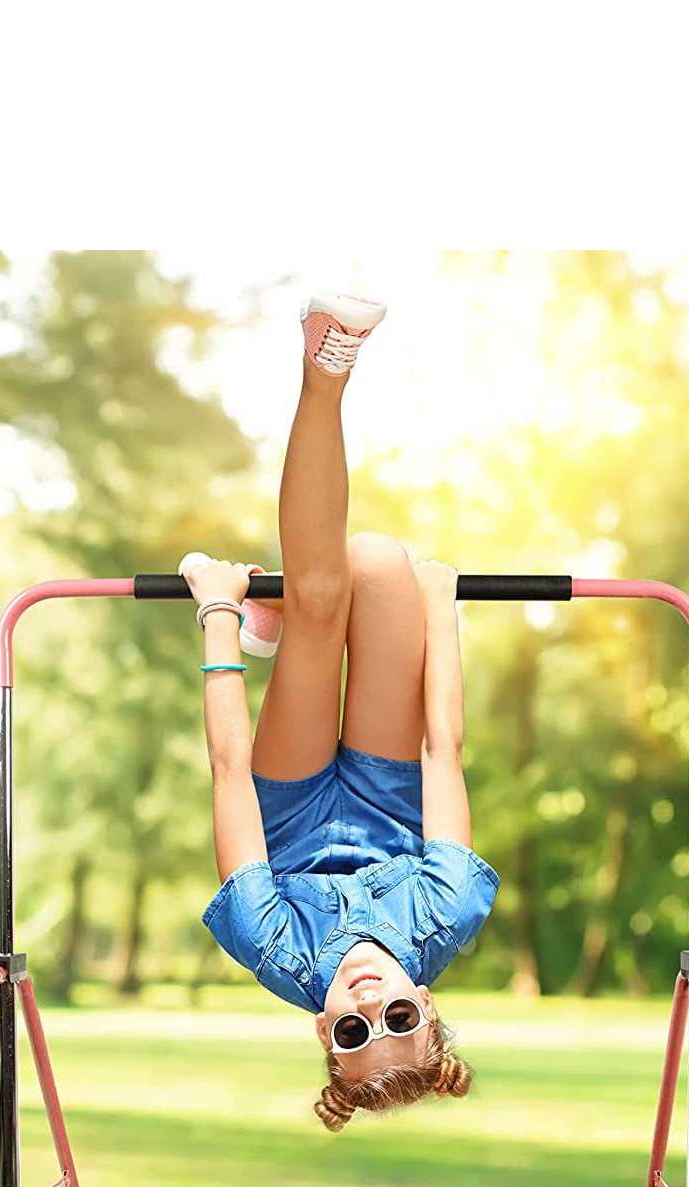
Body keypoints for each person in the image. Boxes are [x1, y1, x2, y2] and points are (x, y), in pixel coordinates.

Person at [181, 293, 499, 1132]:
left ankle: (325, 365)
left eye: (355, 1033)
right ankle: (287, 620)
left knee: (325, 598)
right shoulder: (448, 913)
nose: (369, 1004)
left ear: (324, 1033)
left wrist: (217, 610)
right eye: (399, 1019)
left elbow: (229, 776)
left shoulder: (268, 944)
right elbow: (442, 749)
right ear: (425, 1000)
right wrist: (442, 610)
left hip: (288, 808)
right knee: (380, 564)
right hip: (387, 789)